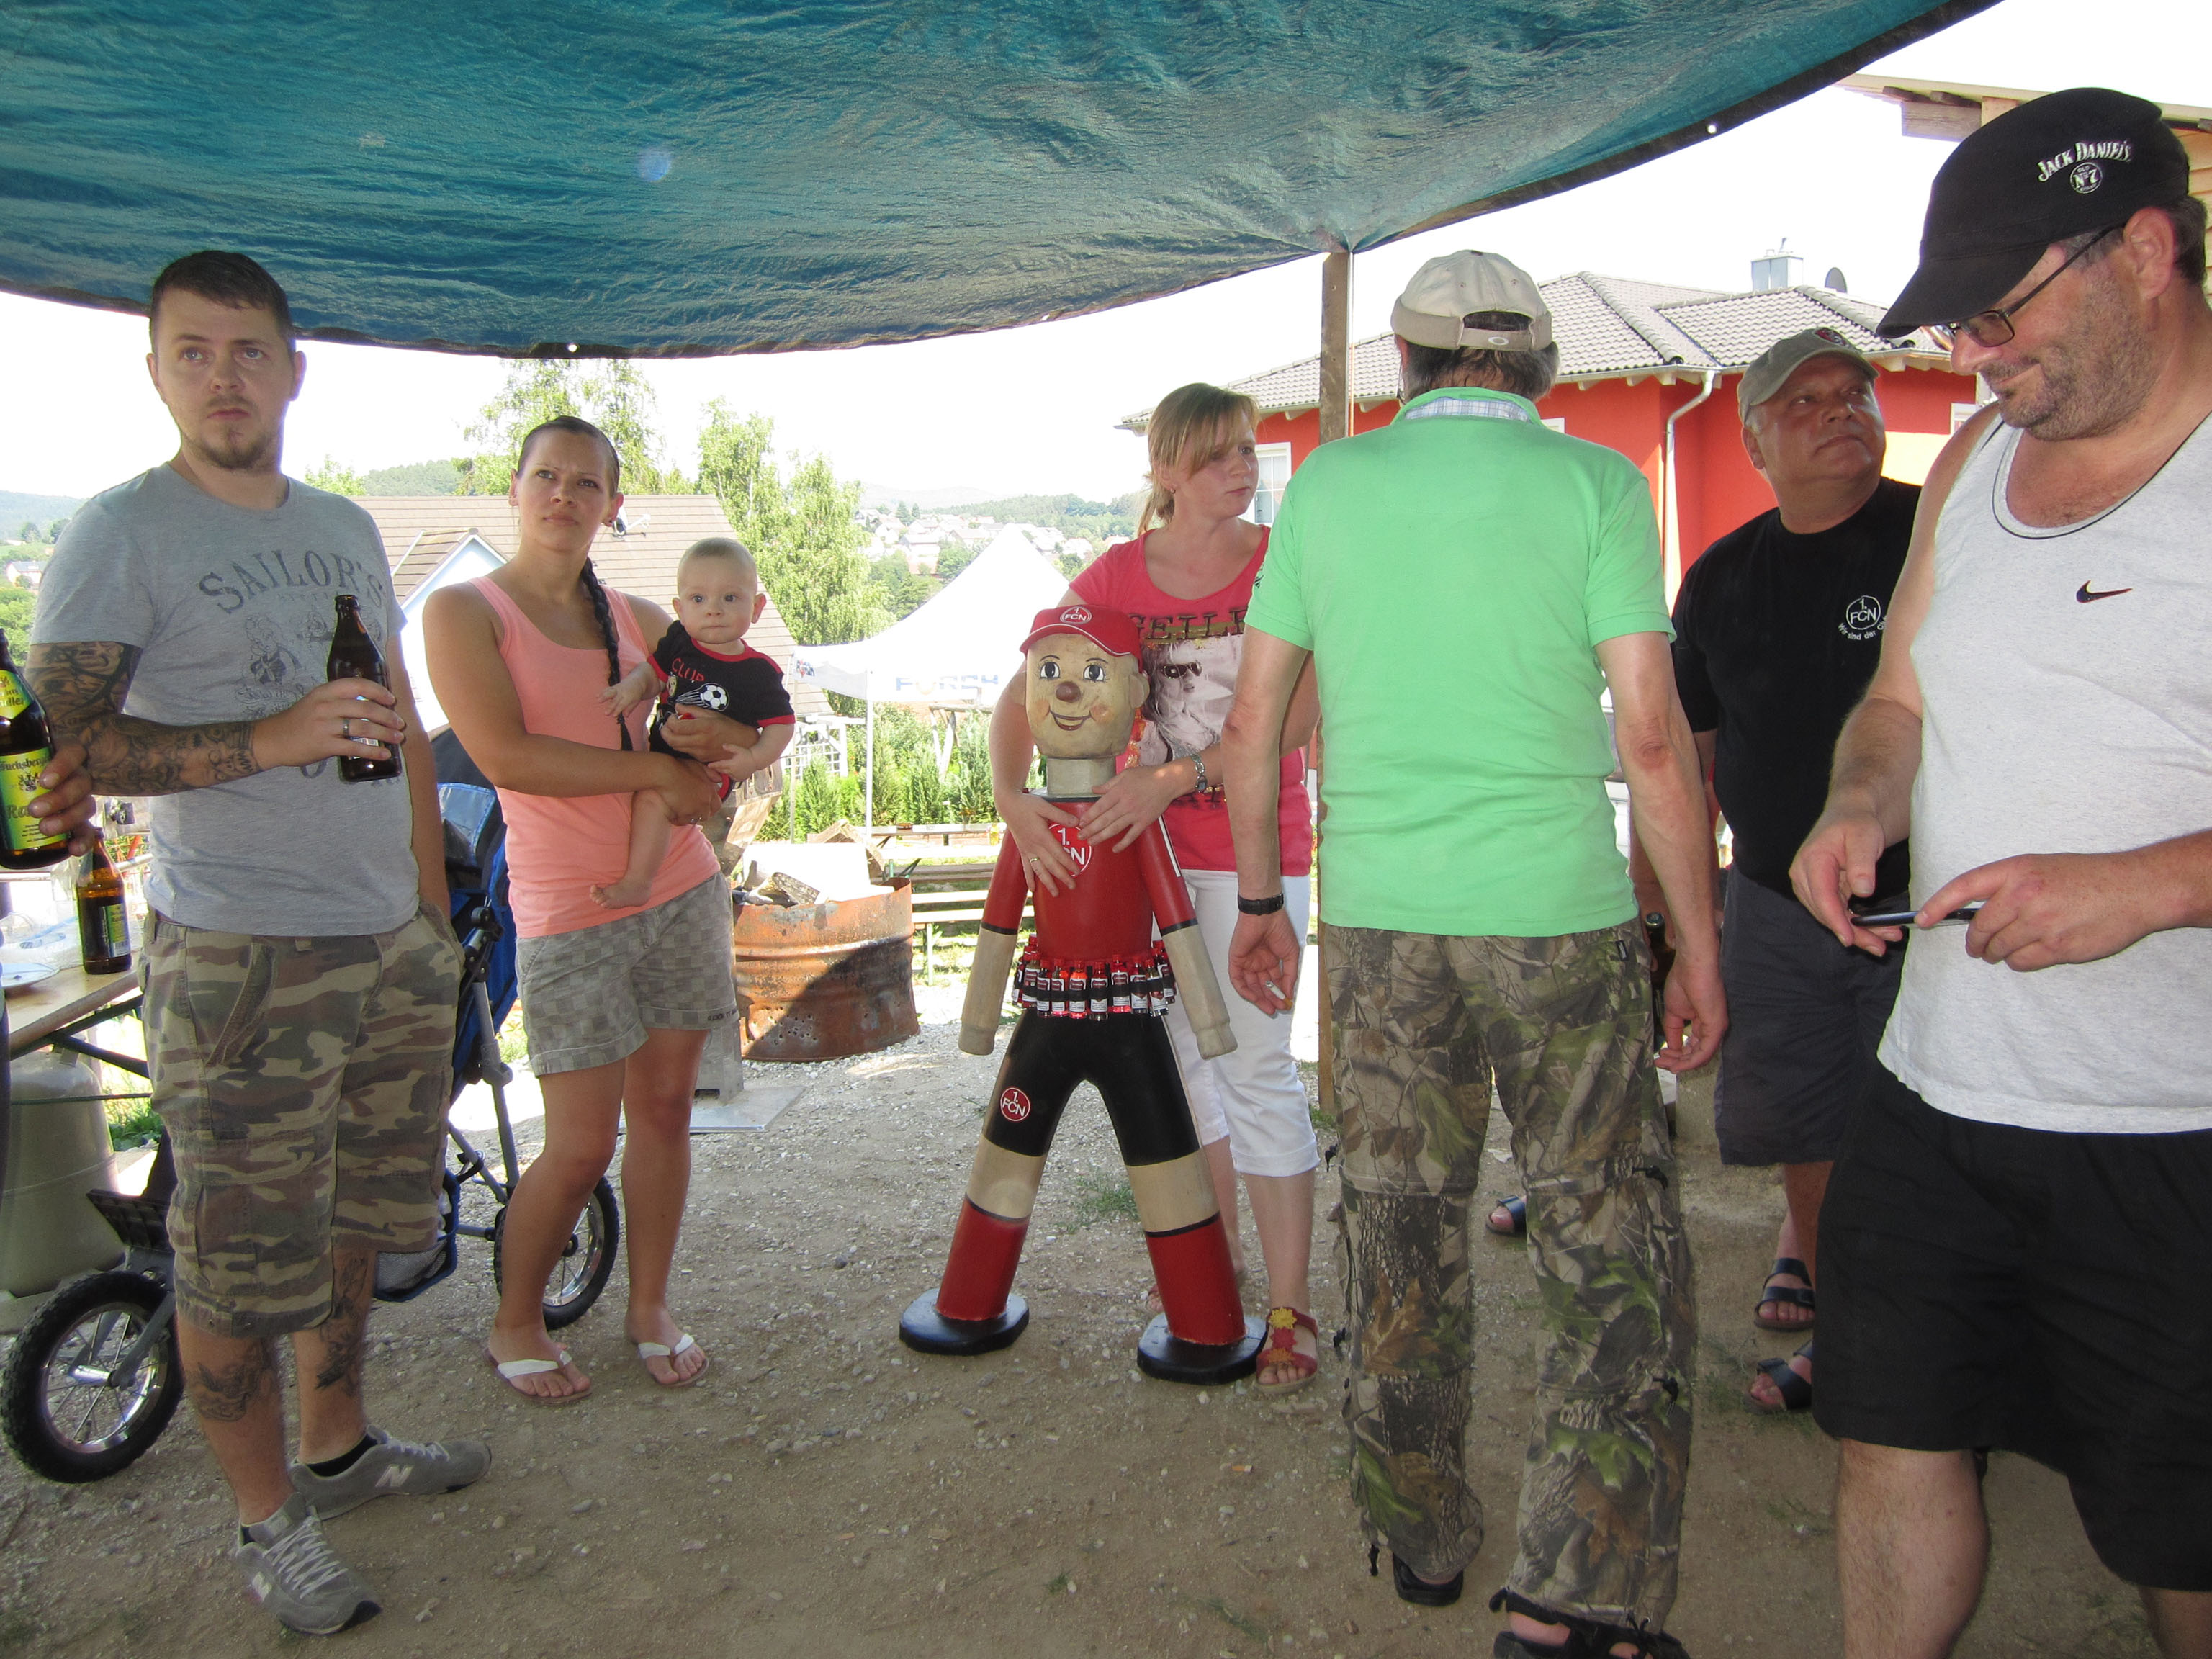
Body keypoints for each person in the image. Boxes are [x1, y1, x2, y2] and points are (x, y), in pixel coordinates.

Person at [1222, 250, 1723, 1657]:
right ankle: (1579, 1589)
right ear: (1539, 362)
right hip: (1558, 916)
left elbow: (1256, 726)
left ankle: (1422, 1528)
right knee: (1605, 1240)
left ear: (1407, 360)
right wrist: (1694, 940)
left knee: (1397, 1230)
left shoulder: (1329, 485)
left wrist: (1261, 902)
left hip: (1382, 927)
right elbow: (1648, 734)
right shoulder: (1596, 486)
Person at [1790, 89, 2212, 1658]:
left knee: (2180, 1515)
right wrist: (1858, 801)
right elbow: (1897, 698)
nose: (1973, 352)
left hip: (2174, 1126)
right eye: (1957, 320)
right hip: (1939, 1088)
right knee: (1889, 1434)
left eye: (2000, 309)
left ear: (2143, 253)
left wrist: (2149, 885)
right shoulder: (1973, 458)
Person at [28, 250, 484, 1637]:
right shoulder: (120, 531)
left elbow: (398, 713)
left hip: (385, 938)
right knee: (232, 1254)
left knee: (352, 1219)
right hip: (237, 952)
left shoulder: (343, 525)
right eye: (192, 351)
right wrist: (272, 736)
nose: (222, 376)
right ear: (156, 371)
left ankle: (338, 1445)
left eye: (247, 350)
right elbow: (72, 749)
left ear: (294, 369)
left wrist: (428, 908)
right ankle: (267, 1518)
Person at [989, 382, 1323, 1392]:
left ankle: (1291, 1307)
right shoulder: (1116, 576)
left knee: (1255, 1066)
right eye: (1217, 453)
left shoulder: (1281, 562)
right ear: (1166, 470)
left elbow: (1297, 720)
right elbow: (1022, 694)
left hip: (1255, 853)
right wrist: (1012, 800)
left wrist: (1172, 777)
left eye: (1247, 449)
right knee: (1182, 1070)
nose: (1242, 467)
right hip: (1142, 864)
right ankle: (1214, 1269)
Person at [423, 415, 745, 1403]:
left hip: (680, 890)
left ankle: (649, 1307)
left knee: (666, 1113)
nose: (564, 496)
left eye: (586, 483)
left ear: (612, 505)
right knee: (578, 1144)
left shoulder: (640, 618)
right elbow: (508, 757)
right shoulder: (464, 613)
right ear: (515, 489)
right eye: (546, 477)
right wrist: (657, 770)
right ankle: (515, 1321)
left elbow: (733, 710)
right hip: (570, 911)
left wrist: (720, 761)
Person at [1657, 328, 1917, 1415]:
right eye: (1805, 402)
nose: (1842, 410)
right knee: (1805, 1123)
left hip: (1931, 905)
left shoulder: (1935, 539)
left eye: (1855, 392)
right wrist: (1685, 928)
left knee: (1929, 1138)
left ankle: (1938, 1367)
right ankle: (1845, 1332)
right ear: (1755, 442)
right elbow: (1685, 763)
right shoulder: (1720, 579)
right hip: (1773, 905)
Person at [593, 535, 794, 908]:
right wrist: (631, 688)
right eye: (698, 599)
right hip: (662, 757)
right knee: (641, 796)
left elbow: (782, 725)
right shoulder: (677, 642)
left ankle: (638, 882)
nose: (713, 610)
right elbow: (652, 674)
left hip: (708, 772)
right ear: (680, 609)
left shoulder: (759, 672)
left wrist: (753, 759)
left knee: (651, 801)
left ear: (756, 607)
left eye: (729, 598)